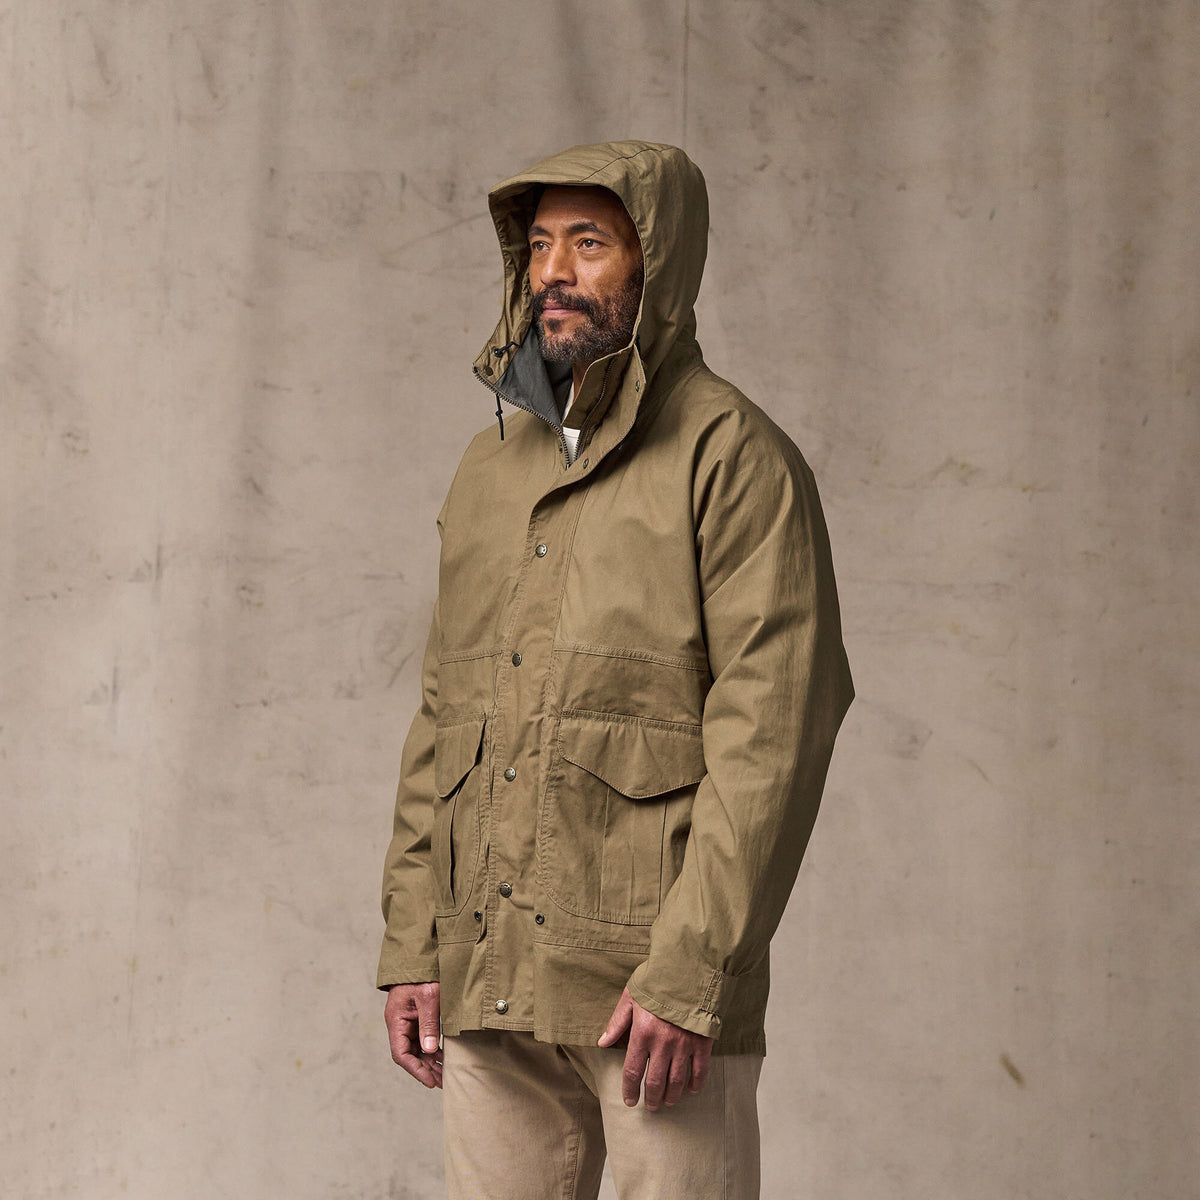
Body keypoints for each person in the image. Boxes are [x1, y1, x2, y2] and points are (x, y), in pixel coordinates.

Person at [378, 140, 853, 1200]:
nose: (554, 271)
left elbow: (774, 736)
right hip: (489, 973)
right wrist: (415, 941)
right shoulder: (490, 469)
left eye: (590, 243)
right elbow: (444, 717)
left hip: (652, 995)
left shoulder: (733, 457)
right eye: (541, 244)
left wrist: (694, 972)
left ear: (659, 262)